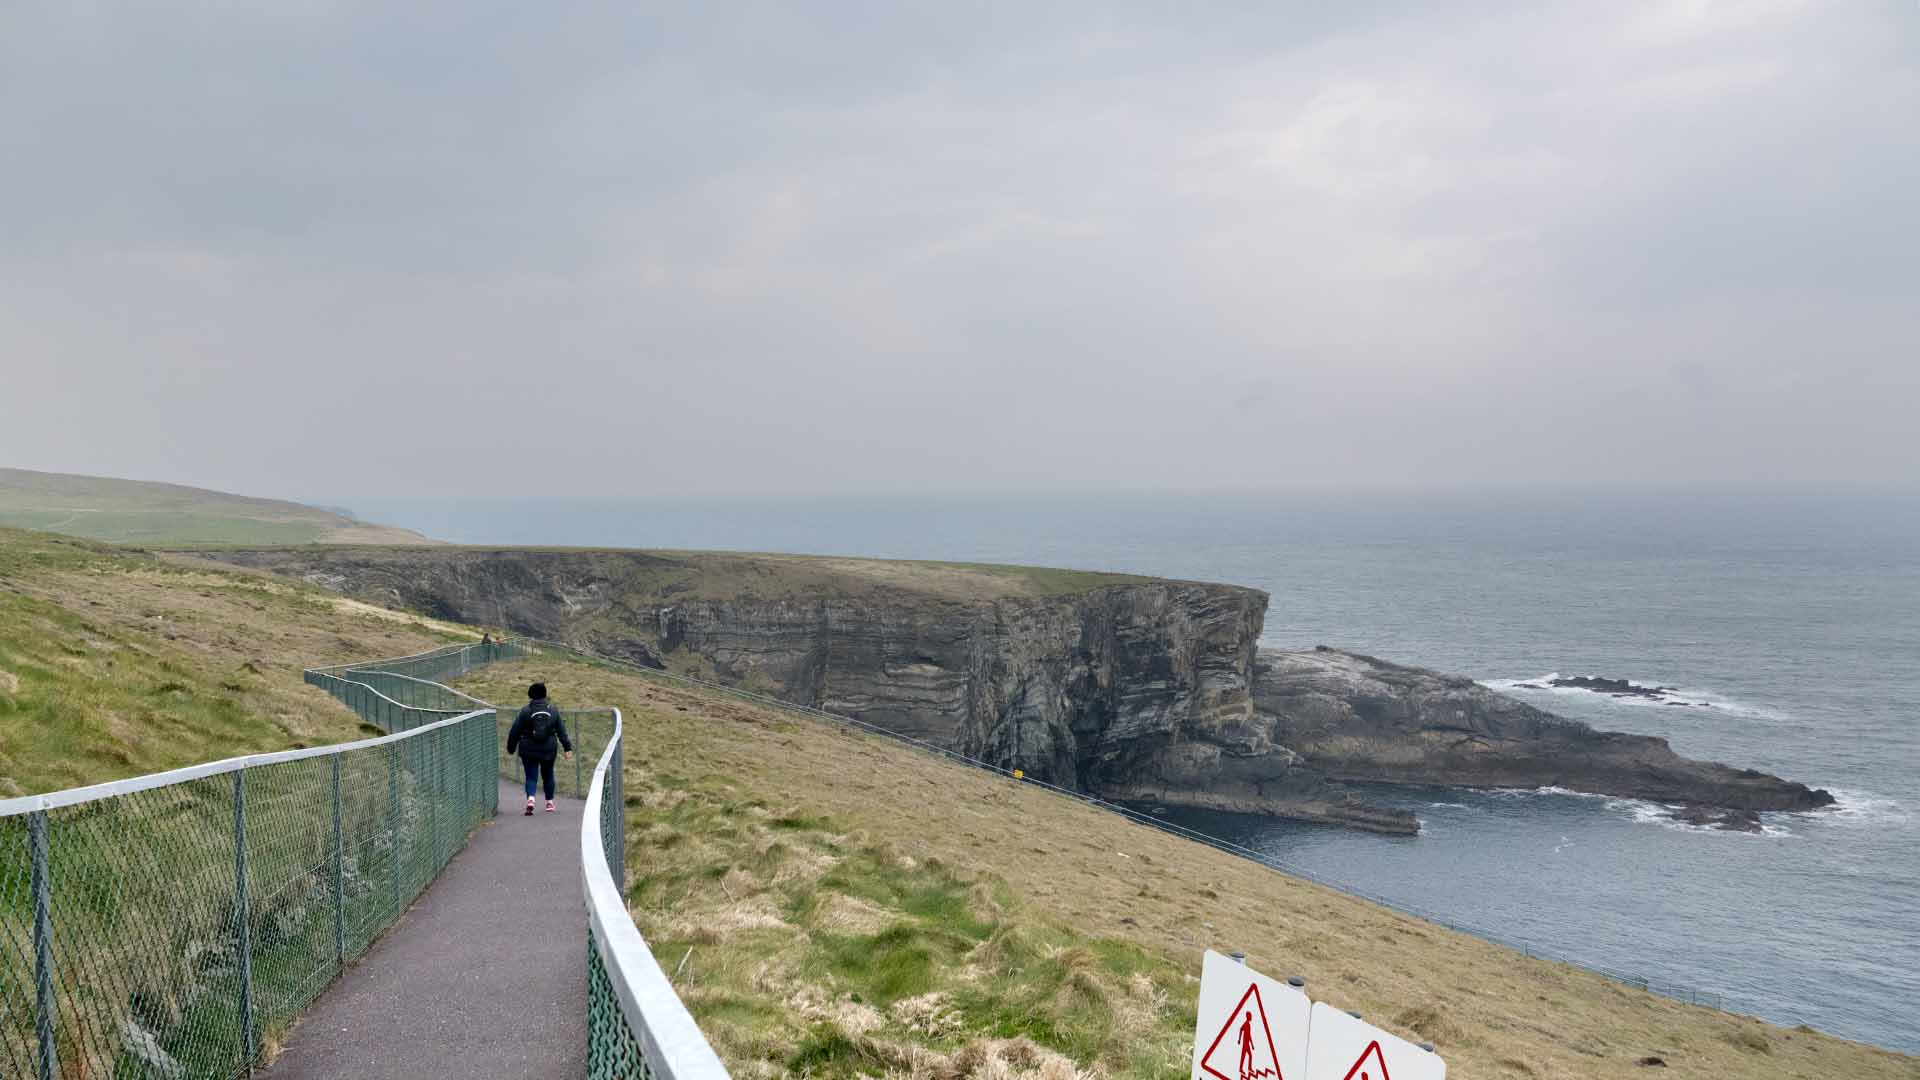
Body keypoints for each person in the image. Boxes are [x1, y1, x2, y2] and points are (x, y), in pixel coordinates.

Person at [505, 681, 572, 815]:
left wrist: (511, 748)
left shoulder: (525, 711)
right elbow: (561, 731)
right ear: (545, 695)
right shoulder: (553, 710)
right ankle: (549, 803)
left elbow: (515, 731)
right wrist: (567, 748)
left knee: (531, 776)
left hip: (528, 748)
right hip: (549, 748)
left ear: (530, 695)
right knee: (548, 774)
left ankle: (531, 799)